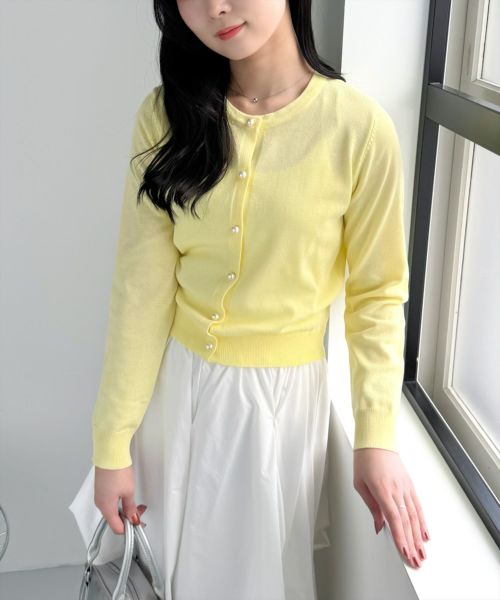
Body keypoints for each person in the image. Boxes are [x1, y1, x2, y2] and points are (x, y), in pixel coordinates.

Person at [69, 0, 431, 597]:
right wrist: (111, 445)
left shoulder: (359, 129)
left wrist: (376, 437)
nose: (215, 7)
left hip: (275, 413)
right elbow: (140, 293)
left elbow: (377, 295)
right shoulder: (165, 117)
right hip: (170, 395)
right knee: (156, 578)